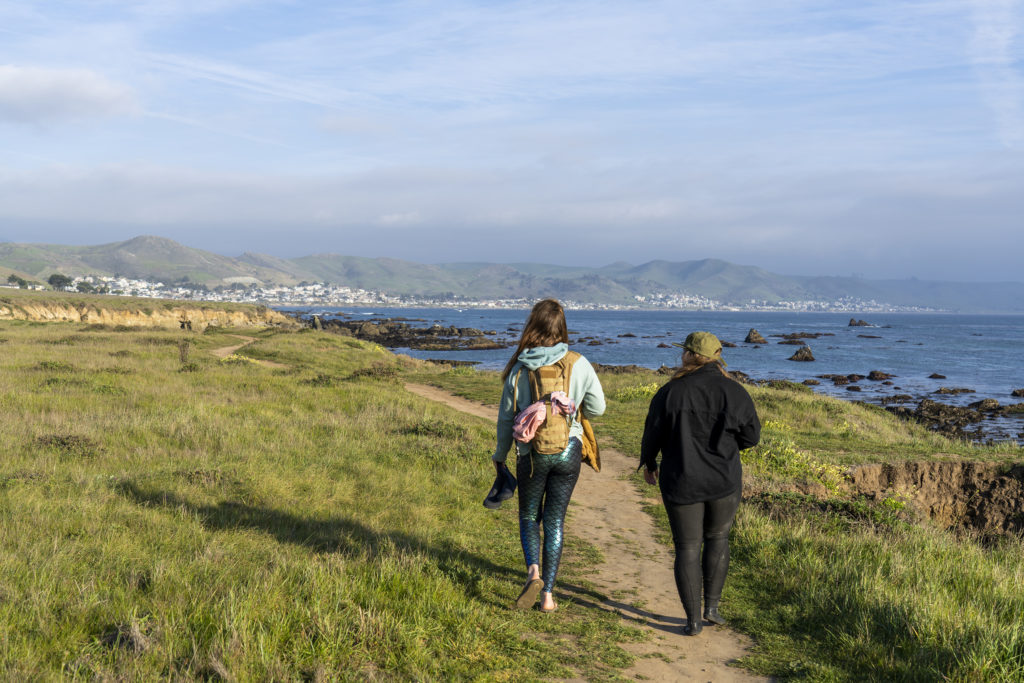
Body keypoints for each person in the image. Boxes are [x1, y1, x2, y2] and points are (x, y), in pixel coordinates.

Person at [639, 331, 760, 635]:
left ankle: (692, 621)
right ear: (716, 356)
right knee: (718, 538)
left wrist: (650, 463)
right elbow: (752, 437)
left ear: (689, 355)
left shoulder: (671, 392)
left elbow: (652, 432)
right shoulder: (735, 392)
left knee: (687, 547)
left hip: (682, 479)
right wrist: (727, 448)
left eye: (684, 352)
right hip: (724, 479)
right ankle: (713, 608)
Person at [493, 299, 606, 613]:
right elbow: (598, 408)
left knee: (530, 517)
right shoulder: (578, 363)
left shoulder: (519, 367)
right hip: (568, 450)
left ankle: (533, 574)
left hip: (531, 453)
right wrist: (570, 406)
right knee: (555, 521)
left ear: (532, 326)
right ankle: (549, 598)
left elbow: (505, 419)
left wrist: (500, 456)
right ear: (562, 328)